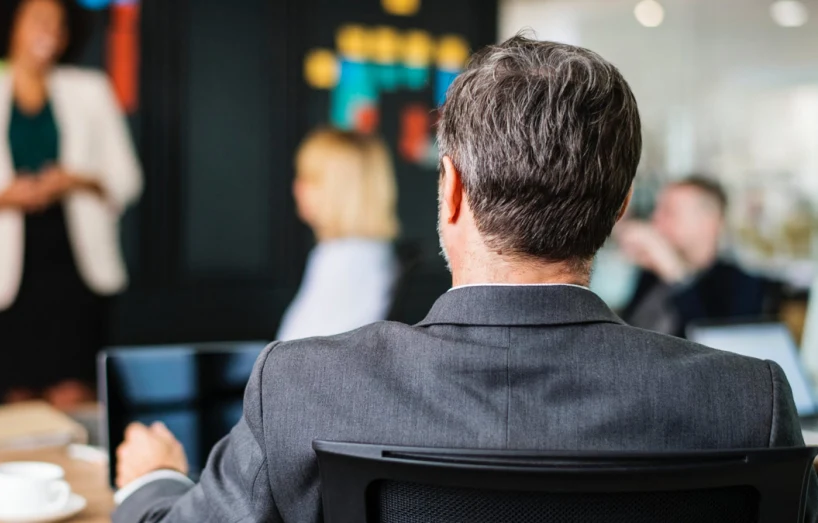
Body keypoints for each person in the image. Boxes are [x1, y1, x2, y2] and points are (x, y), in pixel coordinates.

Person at [112, 35, 815, 523]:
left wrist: (154, 480)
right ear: (619, 204)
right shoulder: (750, 401)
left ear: (449, 190)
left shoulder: (302, 388)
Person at [0, 0, 142, 408]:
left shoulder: (91, 92)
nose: (51, 32)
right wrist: (2, 198)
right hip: (5, 275)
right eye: (40, 21)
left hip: (74, 265)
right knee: (16, 402)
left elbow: (128, 180)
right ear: (11, 25)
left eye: (60, 24)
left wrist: (73, 179)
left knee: (75, 396)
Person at [277, 128, 400, 341]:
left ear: (339, 189)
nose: (297, 187)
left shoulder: (345, 258)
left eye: (310, 178)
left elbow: (292, 353)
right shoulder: (369, 254)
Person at [618, 177, 765, 337]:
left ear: (710, 223)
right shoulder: (651, 275)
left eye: (669, 212)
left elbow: (711, 346)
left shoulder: (740, 286)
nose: (656, 218)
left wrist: (674, 272)